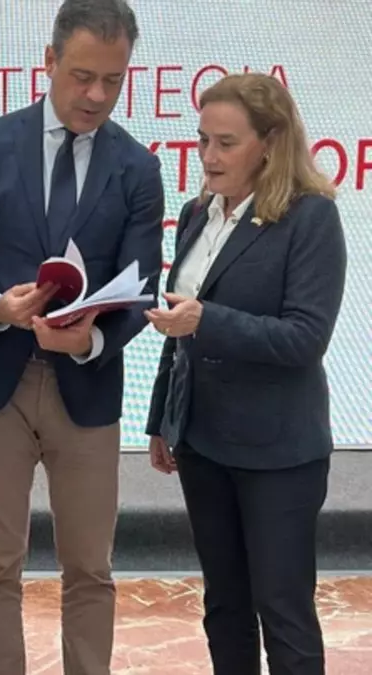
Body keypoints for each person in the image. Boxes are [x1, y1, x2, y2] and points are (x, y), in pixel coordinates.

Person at [0, 1, 163, 673]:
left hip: (86, 386)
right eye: (83, 76)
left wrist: (88, 341)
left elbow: (141, 288)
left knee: (90, 565)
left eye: (112, 81)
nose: (96, 96)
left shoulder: (138, 167)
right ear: (49, 61)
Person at [145, 73, 346, 675]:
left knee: (283, 610)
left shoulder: (310, 218)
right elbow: (179, 326)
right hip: (202, 443)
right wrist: (161, 419)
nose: (208, 156)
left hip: (278, 454)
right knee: (224, 606)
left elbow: (304, 338)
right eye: (203, 140)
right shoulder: (196, 214)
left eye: (226, 143)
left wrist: (208, 320)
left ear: (271, 142)